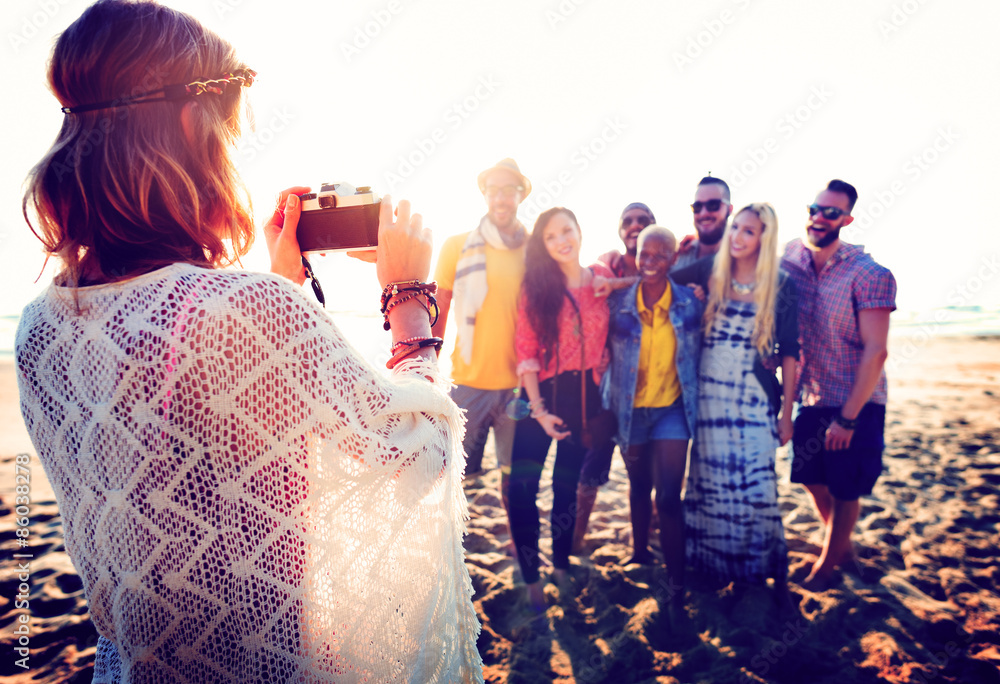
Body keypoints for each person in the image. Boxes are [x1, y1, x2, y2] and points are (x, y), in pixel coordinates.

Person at [16, 2, 482, 682]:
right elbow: (418, 452)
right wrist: (410, 296)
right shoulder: (243, 311)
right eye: (229, 129)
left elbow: (199, 458)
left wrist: (284, 284)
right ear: (189, 124)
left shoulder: (42, 326)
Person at [781, 179, 896, 589]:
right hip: (812, 397)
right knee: (810, 478)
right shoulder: (790, 259)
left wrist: (847, 419)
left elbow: (876, 352)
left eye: (830, 212)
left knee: (846, 488)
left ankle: (827, 566)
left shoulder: (869, 274)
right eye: (814, 208)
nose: (818, 217)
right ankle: (842, 545)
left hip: (856, 401)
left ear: (846, 219)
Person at [683, 203, 799, 606]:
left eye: (748, 231)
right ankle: (713, 570)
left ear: (764, 239)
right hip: (709, 399)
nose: (737, 237)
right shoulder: (710, 271)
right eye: (736, 227)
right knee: (710, 484)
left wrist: (786, 415)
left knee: (755, 483)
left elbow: (789, 354)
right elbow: (657, 280)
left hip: (753, 400)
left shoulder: (781, 285)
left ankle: (756, 572)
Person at [508, 207, 613, 609]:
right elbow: (525, 351)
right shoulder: (536, 287)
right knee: (523, 489)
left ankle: (562, 567)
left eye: (566, 231)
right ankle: (532, 579)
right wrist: (538, 410)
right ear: (543, 244)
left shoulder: (601, 279)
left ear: (580, 231)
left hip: (584, 397)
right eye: (550, 237)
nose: (560, 241)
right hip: (540, 396)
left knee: (565, 489)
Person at [602, 226, 702, 618]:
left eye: (662, 255)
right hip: (629, 410)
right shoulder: (619, 304)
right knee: (639, 485)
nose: (651, 261)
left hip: (673, 410)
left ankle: (676, 584)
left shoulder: (690, 305)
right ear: (636, 253)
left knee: (668, 497)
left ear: (674, 260)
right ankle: (640, 552)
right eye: (646, 252)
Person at [433, 159, 530, 512]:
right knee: (453, 479)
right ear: (485, 195)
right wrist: (426, 370)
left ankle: (518, 551)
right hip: (468, 383)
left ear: (520, 195)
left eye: (510, 190)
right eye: (494, 191)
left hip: (519, 388)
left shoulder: (534, 248)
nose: (501, 198)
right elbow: (439, 309)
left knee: (515, 481)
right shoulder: (457, 246)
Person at [572, 201, 657, 552]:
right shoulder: (607, 263)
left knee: (641, 476)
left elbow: (668, 280)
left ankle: (642, 548)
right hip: (606, 392)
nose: (634, 226)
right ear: (620, 230)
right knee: (589, 470)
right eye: (628, 221)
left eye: (643, 220)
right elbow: (594, 283)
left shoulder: (669, 263)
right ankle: (575, 540)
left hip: (649, 394)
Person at [672, 176, 733, 273]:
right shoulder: (677, 257)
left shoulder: (742, 258)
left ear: (729, 210)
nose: (704, 213)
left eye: (713, 205)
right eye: (697, 206)